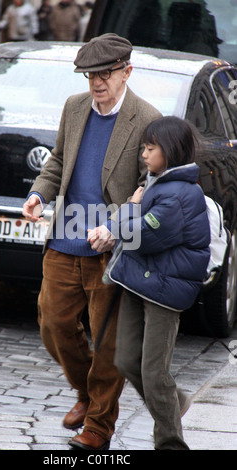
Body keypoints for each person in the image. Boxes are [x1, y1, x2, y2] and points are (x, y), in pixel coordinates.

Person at [22, 33, 161, 450]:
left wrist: (114, 228)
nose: (96, 83)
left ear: (127, 72)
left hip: (111, 250)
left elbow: (147, 189)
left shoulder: (147, 119)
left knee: (108, 343)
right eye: (89, 75)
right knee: (54, 325)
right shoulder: (75, 106)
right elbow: (59, 161)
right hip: (65, 239)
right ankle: (86, 394)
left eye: (105, 74)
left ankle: (99, 426)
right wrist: (38, 194)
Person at [100, 116, 210, 450]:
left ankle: (171, 443)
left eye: (151, 148)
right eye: (144, 148)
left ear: (172, 151)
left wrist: (129, 209)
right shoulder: (157, 182)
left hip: (165, 291)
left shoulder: (178, 193)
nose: (144, 154)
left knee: (153, 373)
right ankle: (175, 401)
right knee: (127, 361)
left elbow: (143, 236)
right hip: (141, 281)